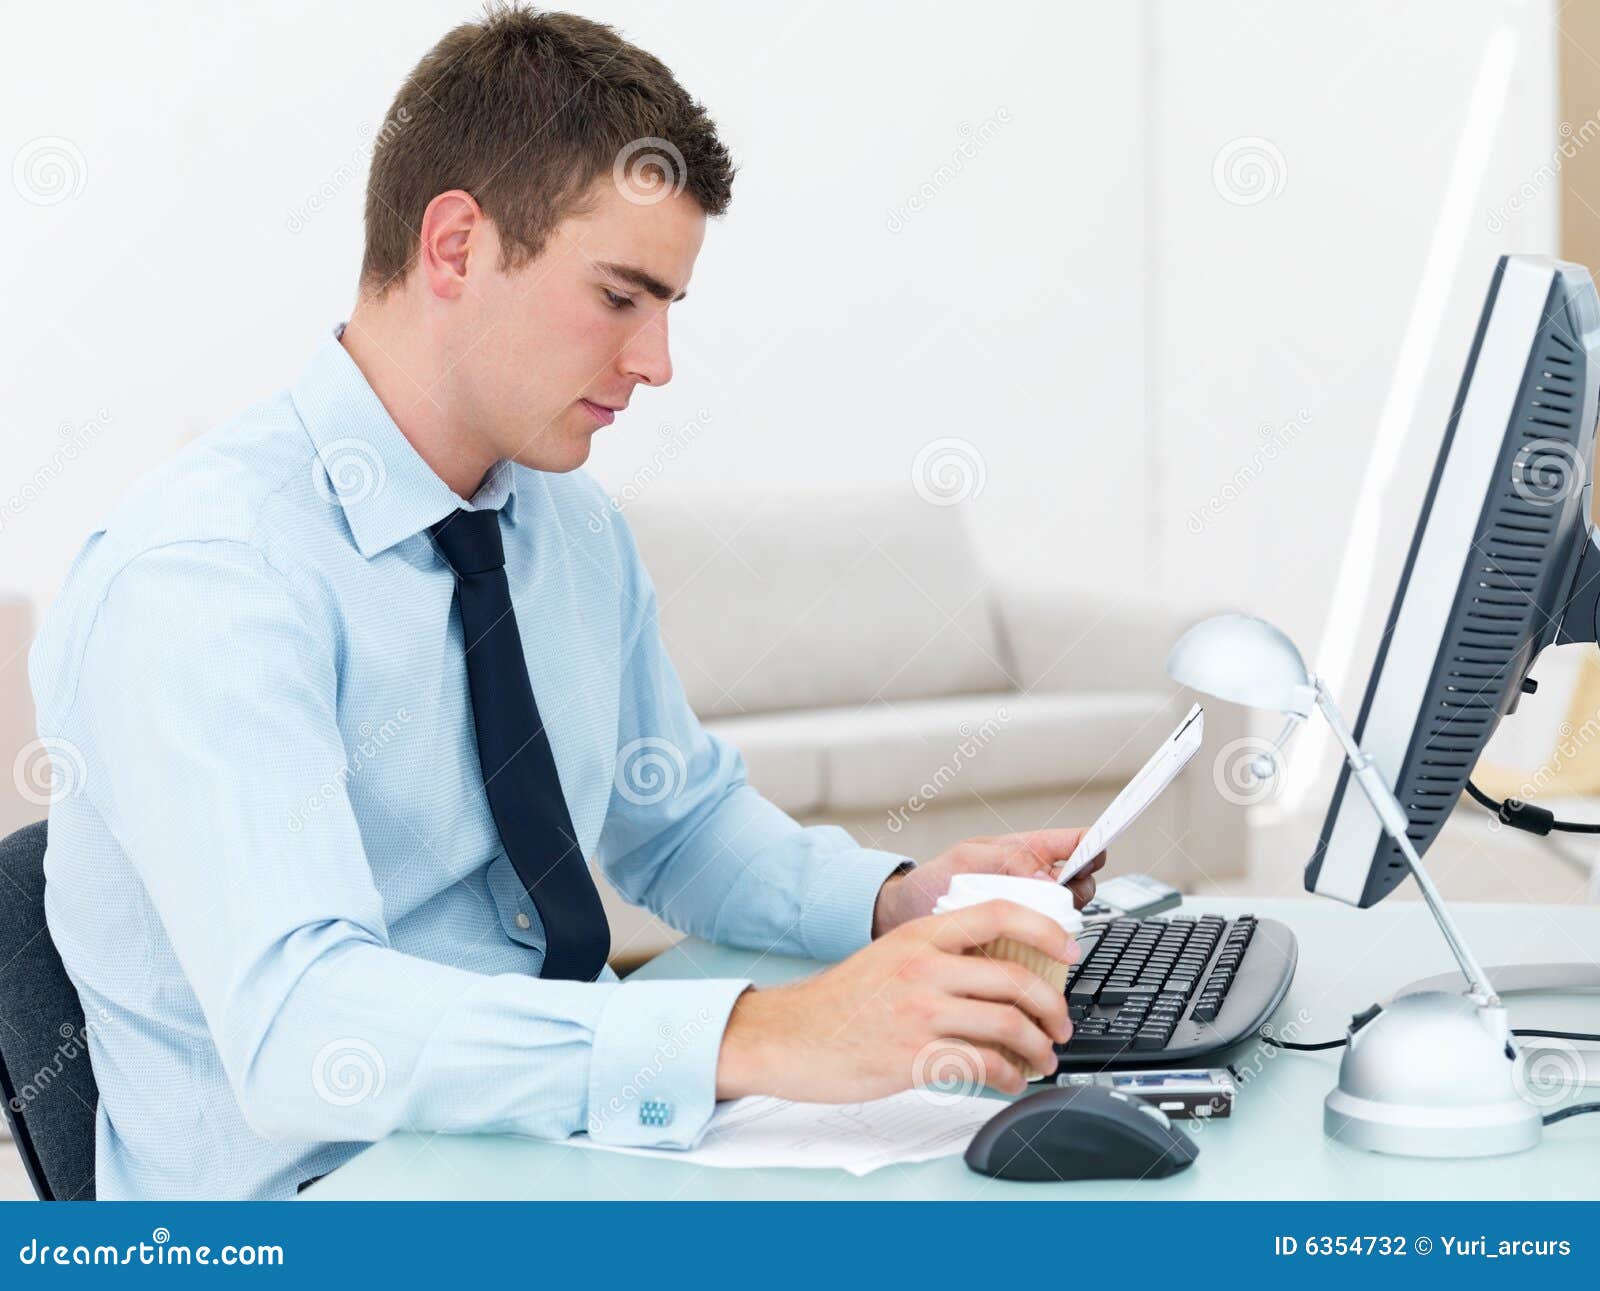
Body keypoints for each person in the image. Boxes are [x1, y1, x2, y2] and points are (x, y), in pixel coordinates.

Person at [27, 4, 1102, 1200]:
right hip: (326, 1204)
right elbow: (301, 1027)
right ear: (454, 248)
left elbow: (678, 822)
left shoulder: (564, 525)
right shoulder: (204, 575)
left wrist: (898, 902)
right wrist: (762, 1037)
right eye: (619, 297)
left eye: (667, 310)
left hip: (563, 1149)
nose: (655, 364)